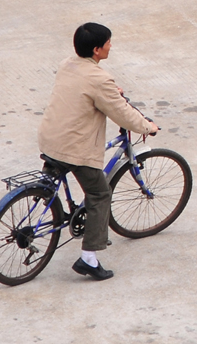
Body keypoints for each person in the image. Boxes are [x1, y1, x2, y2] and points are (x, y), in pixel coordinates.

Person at [38, 23, 159, 280]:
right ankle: (89, 259)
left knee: (56, 180)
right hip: (74, 147)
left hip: (50, 139)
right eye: (108, 43)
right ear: (96, 49)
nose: (110, 46)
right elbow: (122, 113)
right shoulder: (100, 79)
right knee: (100, 193)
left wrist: (111, 92)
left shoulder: (67, 64)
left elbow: (84, 89)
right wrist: (147, 126)